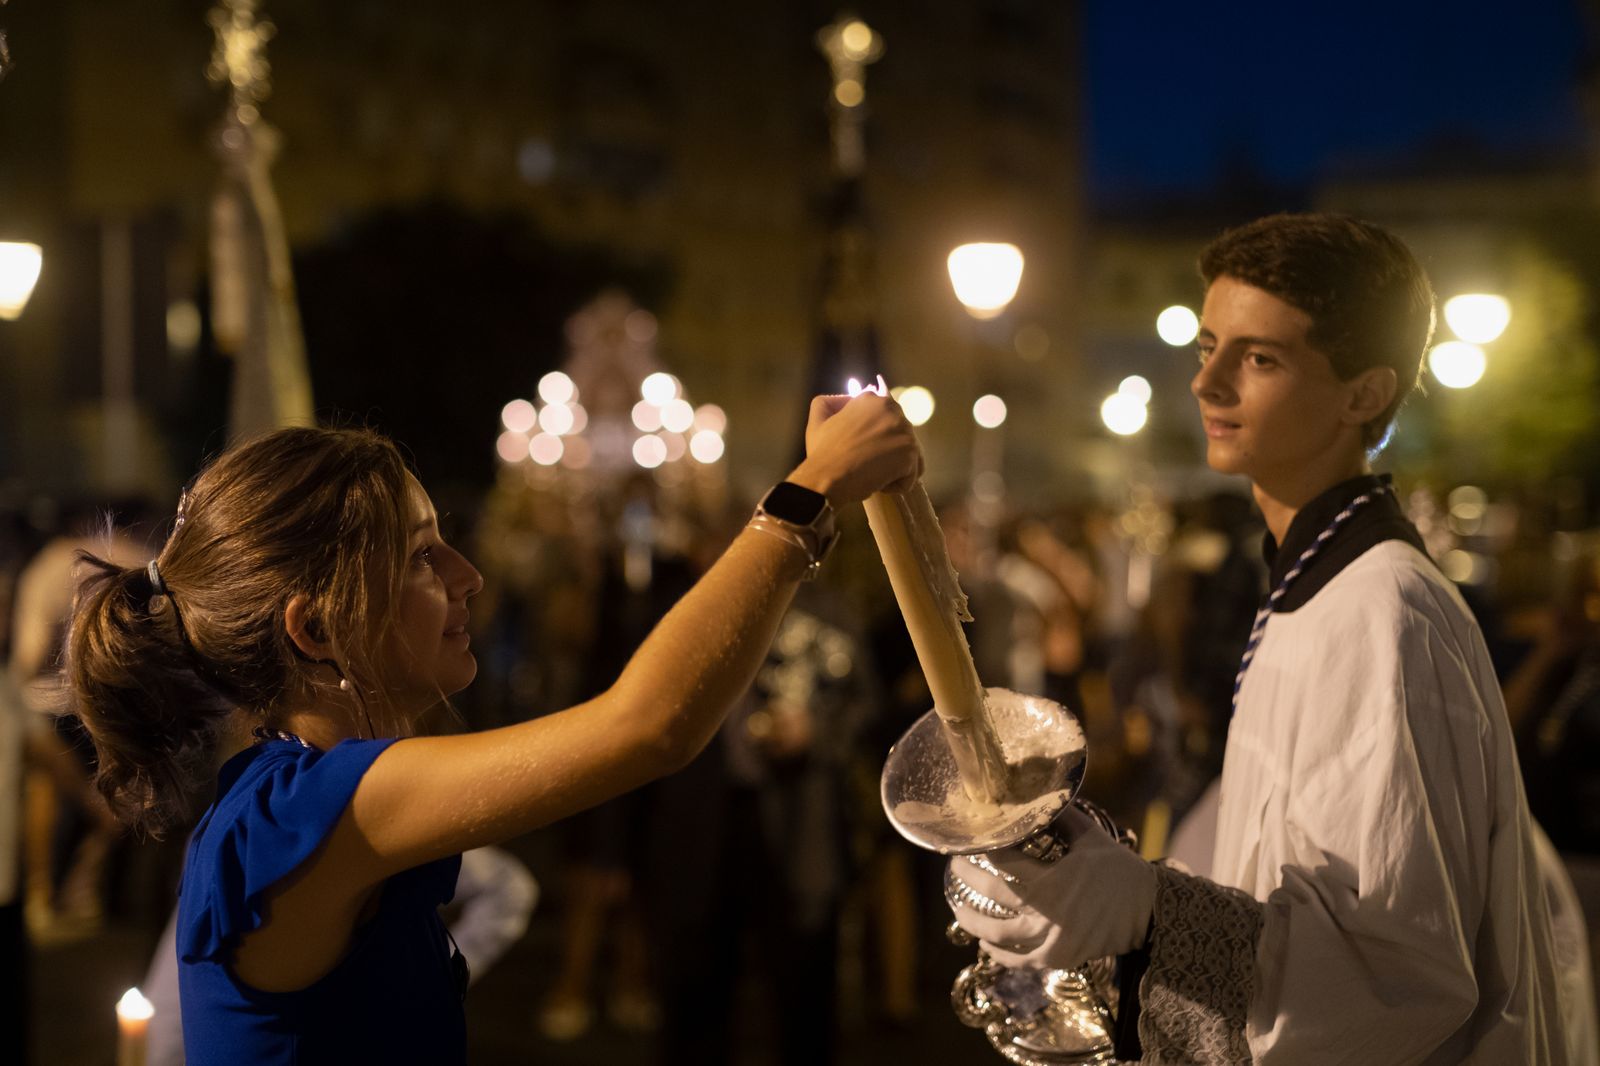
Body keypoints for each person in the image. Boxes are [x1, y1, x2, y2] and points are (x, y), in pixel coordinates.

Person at [64, 393, 920, 1066]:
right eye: (421, 557)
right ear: (315, 630)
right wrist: (804, 497)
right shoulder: (303, 811)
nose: (469, 578)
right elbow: (648, 727)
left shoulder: (309, 790)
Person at [947, 213, 1586, 1063]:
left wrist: (1148, 909)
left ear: (1364, 393)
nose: (1206, 384)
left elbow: (1399, 973)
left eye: (1259, 358)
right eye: (1207, 347)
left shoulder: (1383, 610)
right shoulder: (1308, 586)